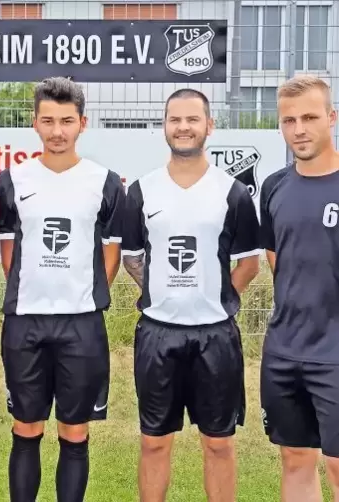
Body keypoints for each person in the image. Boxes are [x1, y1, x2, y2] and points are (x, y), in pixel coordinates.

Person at [121, 88, 261, 502]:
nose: (183, 127)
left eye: (192, 119)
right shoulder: (142, 191)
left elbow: (248, 264)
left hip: (215, 337)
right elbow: (132, 260)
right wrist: (163, 291)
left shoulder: (232, 192)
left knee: (218, 443)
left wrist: (213, 296)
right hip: (157, 335)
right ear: (165, 126)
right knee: (154, 442)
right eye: (175, 120)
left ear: (209, 126)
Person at [0, 76, 124, 502]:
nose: (57, 131)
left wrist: (83, 294)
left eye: (66, 121)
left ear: (82, 124)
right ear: (34, 123)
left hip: (82, 325)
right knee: (26, 427)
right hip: (26, 323)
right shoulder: (12, 180)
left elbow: (111, 254)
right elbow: (9, 251)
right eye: (48, 121)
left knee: (74, 431)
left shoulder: (105, 181)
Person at [259, 75, 339, 502]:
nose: (299, 129)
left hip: (336, 353)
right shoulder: (273, 186)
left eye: (309, 117)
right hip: (285, 350)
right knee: (295, 458)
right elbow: (278, 261)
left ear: (331, 117)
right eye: (289, 120)